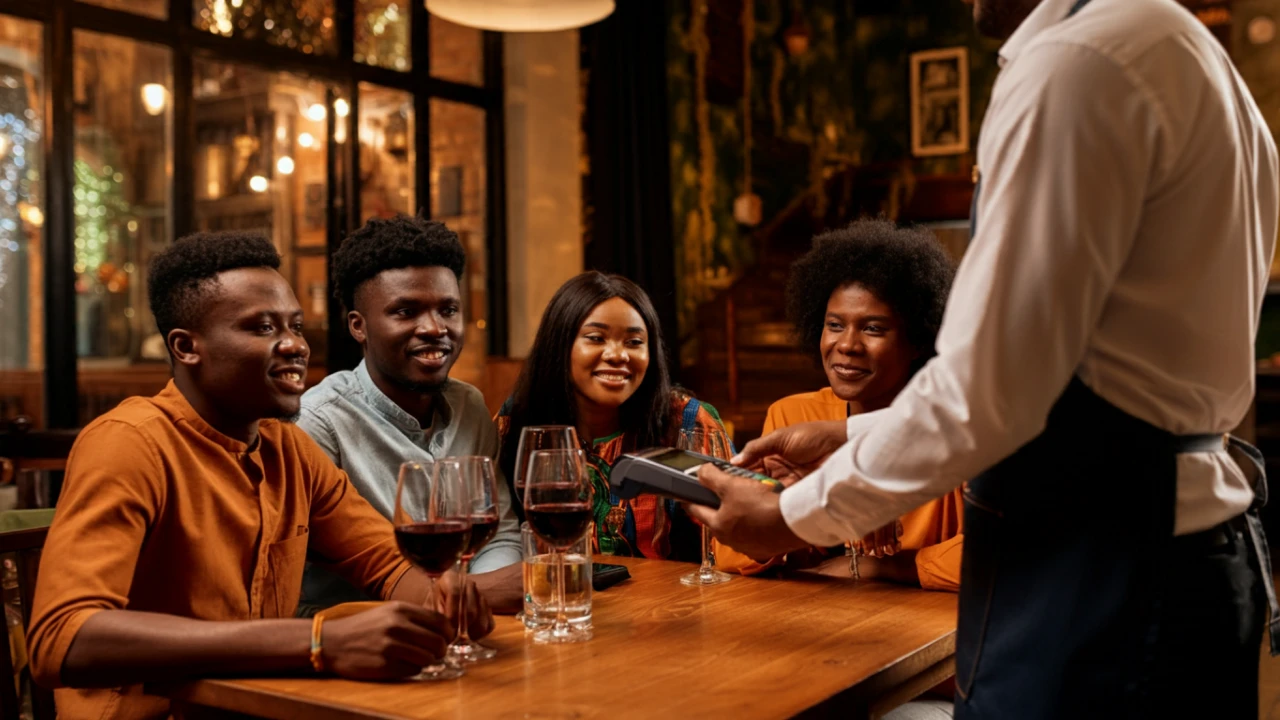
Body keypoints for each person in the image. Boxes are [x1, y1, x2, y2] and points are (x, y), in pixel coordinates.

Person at [690, 0, 1280, 717]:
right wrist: (845, 434)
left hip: (1100, 571)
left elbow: (986, 395)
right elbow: (1062, 383)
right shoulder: (1191, 55)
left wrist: (789, 518)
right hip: (1192, 560)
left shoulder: (1076, 66)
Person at [28, 232, 493, 720]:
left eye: (295, 325)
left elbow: (388, 563)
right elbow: (62, 640)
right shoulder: (129, 442)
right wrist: (316, 641)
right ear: (188, 347)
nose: (294, 344)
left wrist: (443, 593)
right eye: (262, 328)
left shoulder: (288, 447)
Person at [713, 220, 961, 591]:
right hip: (820, 627)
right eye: (834, 325)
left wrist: (884, 568)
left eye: (873, 328)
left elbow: (1006, 551)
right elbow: (730, 550)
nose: (847, 345)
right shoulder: (792, 417)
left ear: (918, 341)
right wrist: (810, 509)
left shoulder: (954, 426)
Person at [297, 215, 521, 614]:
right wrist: (470, 599)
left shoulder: (469, 406)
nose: (435, 328)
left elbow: (500, 534)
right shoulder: (320, 423)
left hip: (462, 636)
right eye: (406, 312)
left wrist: (462, 607)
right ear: (358, 327)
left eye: (448, 309)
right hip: (355, 645)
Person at [498, 271, 730, 559]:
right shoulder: (519, 422)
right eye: (596, 338)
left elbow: (737, 537)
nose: (617, 355)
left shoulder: (686, 422)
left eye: (634, 342)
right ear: (560, 345)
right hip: (557, 596)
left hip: (669, 602)